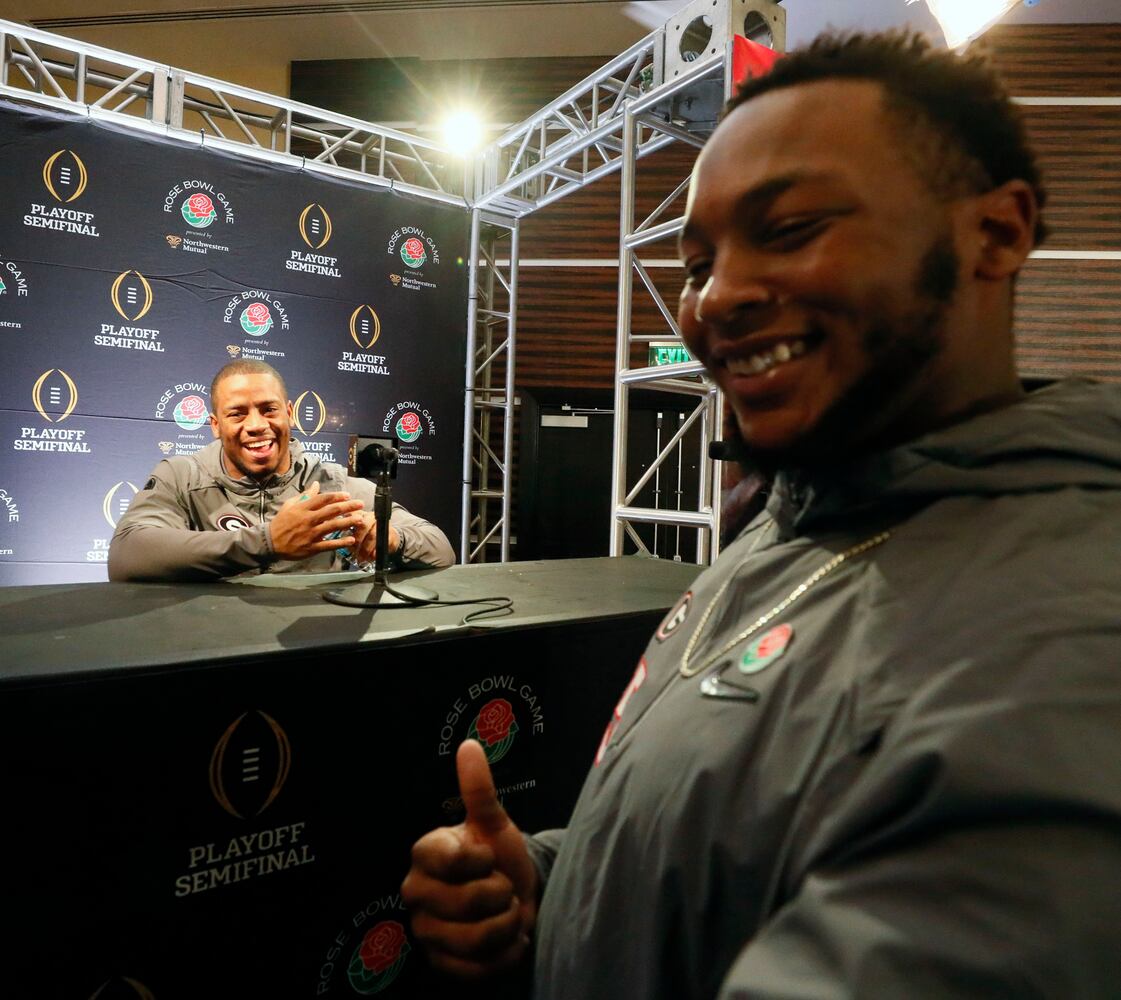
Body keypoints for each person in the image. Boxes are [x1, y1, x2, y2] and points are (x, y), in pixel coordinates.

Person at [401, 32, 1121, 998]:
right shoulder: (800, 520)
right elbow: (751, 845)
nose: (714, 299)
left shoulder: (1066, 646)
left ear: (993, 234)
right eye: (698, 261)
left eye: (789, 230)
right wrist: (551, 884)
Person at [108, 360, 454, 581]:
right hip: (214, 648)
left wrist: (390, 539)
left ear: (289, 413)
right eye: (237, 413)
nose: (257, 425)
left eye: (268, 409)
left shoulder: (329, 481)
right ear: (215, 425)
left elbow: (441, 550)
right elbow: (128, 556)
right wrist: (268, 541)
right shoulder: (183, 476)